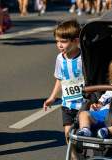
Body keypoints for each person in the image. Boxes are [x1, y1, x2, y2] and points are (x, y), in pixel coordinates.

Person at [43, 19, 83, 158]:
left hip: (84, 103)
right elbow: (60, 78)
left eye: (64, 42)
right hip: (68, 103)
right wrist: (52, 97)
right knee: (68, 133)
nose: (59, 45)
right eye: (57, 41)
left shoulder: (83, 58)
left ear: (76, 41)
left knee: (84, 133)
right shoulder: (60, 58)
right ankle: (74, 157)